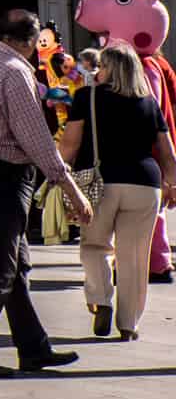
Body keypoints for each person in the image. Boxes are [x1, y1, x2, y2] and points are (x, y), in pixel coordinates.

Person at [0, 9, 92, 377]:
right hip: (3, 174)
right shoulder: (14, 72)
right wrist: (73, 190)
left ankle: (33, 348)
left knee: (16, 265)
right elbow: (36, 138)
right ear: (28, 42)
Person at [58, 45, 176, 341]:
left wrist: (59, 171)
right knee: (135, 257)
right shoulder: (148, 102)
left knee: (95, 246)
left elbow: (70, 143)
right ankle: (128, 324)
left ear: (109, 68)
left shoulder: (88, 96)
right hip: (145, 185)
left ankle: (101, 300)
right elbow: (166, 150)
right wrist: (172, 182)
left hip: (101, 182)